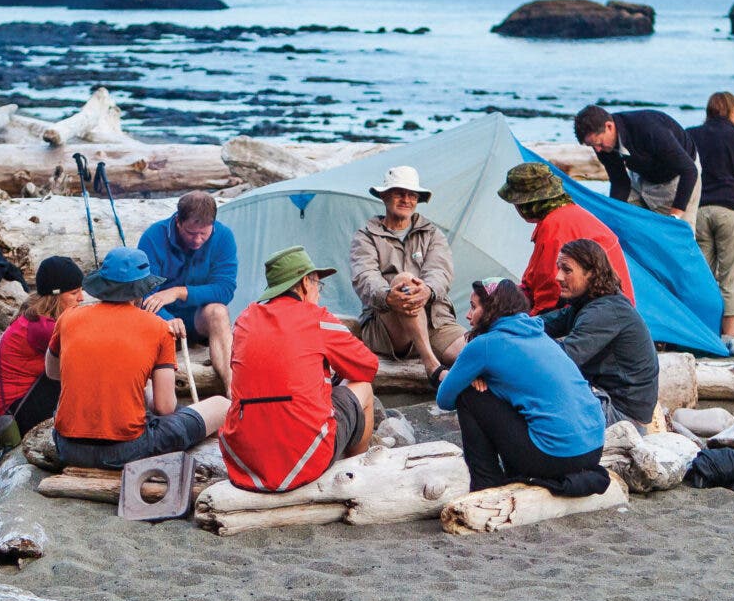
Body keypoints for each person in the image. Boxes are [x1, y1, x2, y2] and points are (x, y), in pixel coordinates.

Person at [47, 248, 228, 470]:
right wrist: (148, 386)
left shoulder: (68, 318)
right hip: (127, 450)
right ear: (141, 290)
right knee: (221, 405)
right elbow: (164, 408)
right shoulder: (160, 328)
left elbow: (53, 372)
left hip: (68, 448)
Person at [222, 247, 380, 493]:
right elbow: (368, 366)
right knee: (363, 389)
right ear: (305, 283)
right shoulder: (316, 317)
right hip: (304, 458)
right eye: (318, 284)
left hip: (246, 462)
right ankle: (353, 470)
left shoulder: (244, 320)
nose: (318, 292)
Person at [434, 279, 610, 496]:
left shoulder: (485, 345)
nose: (468, 316)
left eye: (474, 307)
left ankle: (486, 483)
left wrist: (468, 378)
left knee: (469, 395)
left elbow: (444, 399)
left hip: (556, 456)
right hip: (593, 450)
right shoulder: (540, 335)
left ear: (491, 309)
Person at [347, 164, 465, 373]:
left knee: (473, 355)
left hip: (435, 322)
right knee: (403, 280)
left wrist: (427, 291)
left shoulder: (431, 234)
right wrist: (387, 296)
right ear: (384, 197)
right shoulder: (366, 236)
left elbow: (440, 271)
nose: (406, 200)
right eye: (399, 193)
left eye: (412, 195)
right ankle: (431, 364)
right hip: (388, 328)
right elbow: (365, 276)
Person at [542, 238, 658, 426]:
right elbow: (542, 324)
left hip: (621, 416)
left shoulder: (605, 311)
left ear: (591, 273)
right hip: (608, 401)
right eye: (559, 268)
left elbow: (560, 359)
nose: (558, 277)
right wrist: (506, 325)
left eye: (567, 270)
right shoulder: (588, 303)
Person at [497, 161, 635, 314]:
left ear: (527, 202)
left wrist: (530, 324)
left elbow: (552, 292)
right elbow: (535, 282)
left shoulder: (555, 228)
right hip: (606, 310)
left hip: (600, 315)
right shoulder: (563, 216)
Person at [134, 191, 238, 390]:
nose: (197, 240)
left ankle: (232, 393)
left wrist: (179, 292)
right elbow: (144, 292)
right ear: (178, 222)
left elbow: (225, 289)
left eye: (204, 234)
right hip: (159, 320)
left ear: (213, 225)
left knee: (218, 311)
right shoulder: (153, 237)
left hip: (199, 319)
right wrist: (166, 319)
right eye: (191, 233)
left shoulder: (224, 237)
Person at [688, 91, 734, 345]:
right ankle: (728, 338)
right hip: (730, 210)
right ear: (729, 110)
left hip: (700, 209)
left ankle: (698, 332)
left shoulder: (692, 134)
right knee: (731, 277)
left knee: (701, 274)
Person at [0, 255, 83, 436]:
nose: (82, 297)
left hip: (21, 402)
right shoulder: (43, 328)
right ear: (54, 297)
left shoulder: (39, 316)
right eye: (74, 293)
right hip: (17, 412)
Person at [575, 104, 698, 221]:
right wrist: (614, 214)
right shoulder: (602, 146)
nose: (598, 150)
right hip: (642, 174)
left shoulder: (650, 129)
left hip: (680, 175)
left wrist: (675, 215)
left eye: (599, 143)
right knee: (621, 219)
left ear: (609, 126)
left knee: (677, 232)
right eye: (592, 146)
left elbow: (689, 170)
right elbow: (620, 181)